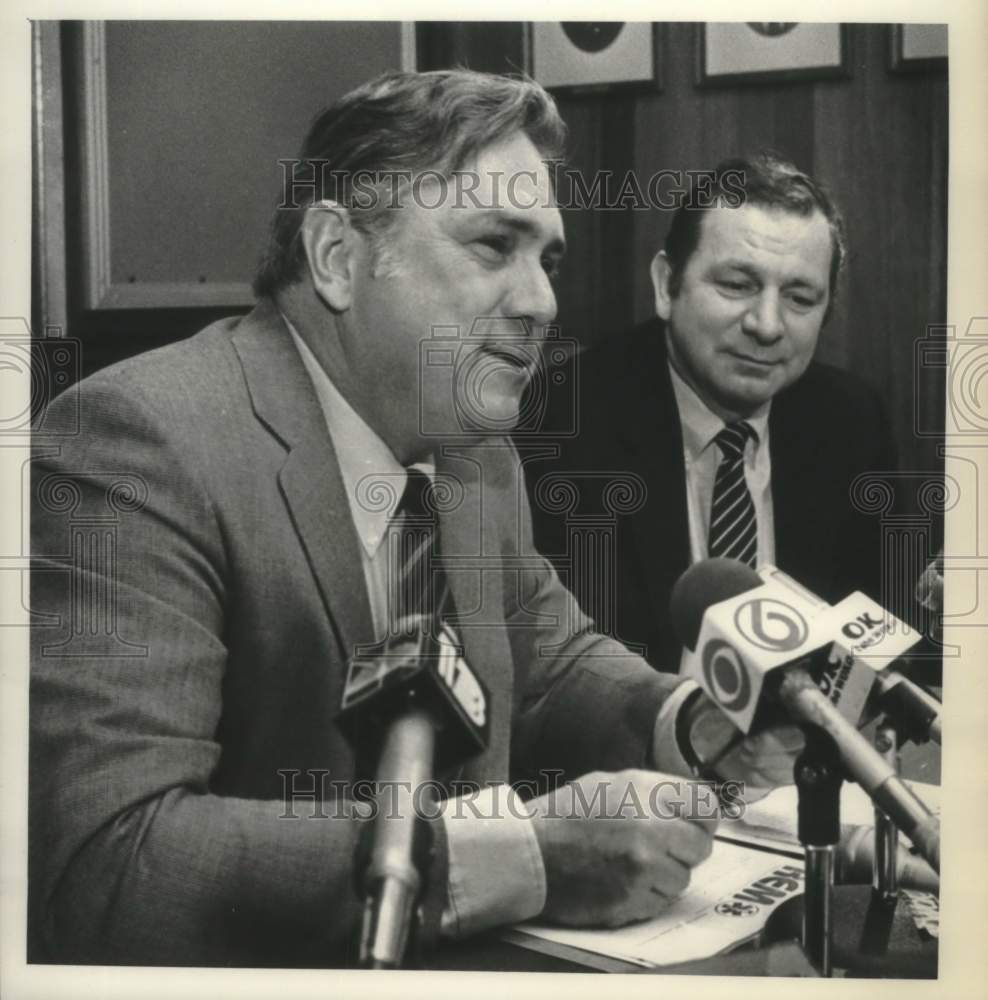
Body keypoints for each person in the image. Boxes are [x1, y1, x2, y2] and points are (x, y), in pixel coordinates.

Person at [29, 73, 802, 968]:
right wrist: (518, 858)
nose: (543, 303)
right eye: (493, 246)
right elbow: (112, 867)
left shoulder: (473, 452)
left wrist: (691, 719)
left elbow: (549, 667)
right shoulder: (138, 442)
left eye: (546, 259)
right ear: (337, 258)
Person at [523, 153, 897, 672]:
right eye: (737, 285)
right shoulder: (558, 423)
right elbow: (553, 675)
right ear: (665, 286)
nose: (767, 325)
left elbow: (880, 630)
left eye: (800, 297)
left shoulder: (852, 422)